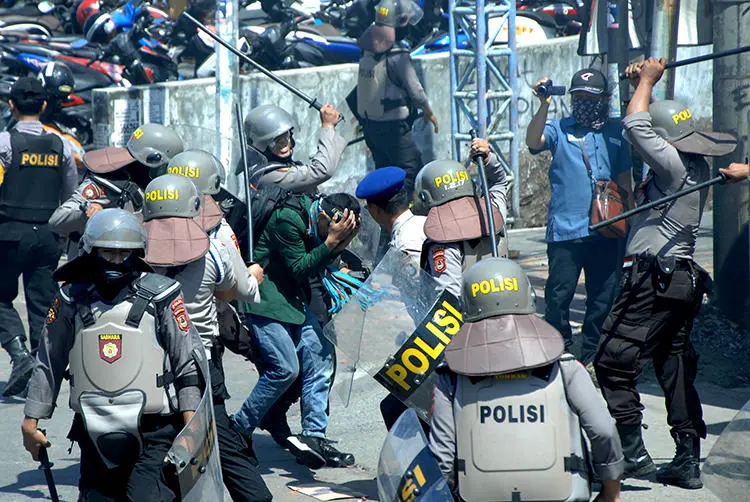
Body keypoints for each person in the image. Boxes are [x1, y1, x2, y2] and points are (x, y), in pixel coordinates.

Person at [594, 57, 739, 490]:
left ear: (665, 141)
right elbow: (647, 120)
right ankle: (687, 459)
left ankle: (634, 454)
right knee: (672, 365)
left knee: (611, 362)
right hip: (683, 280)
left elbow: (636, 126)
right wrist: (642, 83)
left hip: (652, 278)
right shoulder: (695, 163)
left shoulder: (673, 167)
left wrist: (648, 80)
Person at [20, 208, 205, 500]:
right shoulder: (70, 298)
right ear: (91, 251)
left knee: (145, 496)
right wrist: (32, 420)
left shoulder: (163, 294)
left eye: (125, 254)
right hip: (94, 426)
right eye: (108, 253)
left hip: (154, 428)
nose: (117, 261)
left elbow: (186, 360)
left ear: (138, 254)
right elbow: (49, 361)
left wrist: (191, 424)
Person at [429, 257, 624, 502]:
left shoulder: (451, 377)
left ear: (466, 307)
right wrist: (611, 491)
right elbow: (603, 431)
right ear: (528, 298)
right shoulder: (565, 368)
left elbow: (442, 459)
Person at [142, 174, 273, 501]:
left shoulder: (134, 252)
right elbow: (236, 291)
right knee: (220, 436)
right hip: (202, 358)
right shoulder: (214, 249)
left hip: (152, 361)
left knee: (159, 439)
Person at [231, 192, 360, 469]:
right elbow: (301, 268)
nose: (335, 233)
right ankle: (239, 428)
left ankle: (314, 437)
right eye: (335, 228)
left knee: (321, 358)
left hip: (293, 299)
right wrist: (332, 242)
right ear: (326, 216)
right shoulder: (288, 219)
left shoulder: (316, 220)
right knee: (285, 369)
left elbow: (316, 261)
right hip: (264, 298)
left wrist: (341, 243)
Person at [526, 68, 633, 370]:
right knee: (558, 297)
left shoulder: (616, 132)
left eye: (590, 97)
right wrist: (544, 104)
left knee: (602, 299)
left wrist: (630, 225)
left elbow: (625, 182)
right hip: (566, 231)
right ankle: (559, 353)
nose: (584, 102)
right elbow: (533, 141)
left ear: (603, 100)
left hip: (608, 231)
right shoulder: (559, 129)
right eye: (579, 97)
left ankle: (591, 356)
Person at [0, 77, 78, 397]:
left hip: (8, 234)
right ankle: (38, 370)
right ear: (44, 106)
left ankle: (19, 355)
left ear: (11, 105)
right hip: (47, 236)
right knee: (42, 303)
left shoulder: (4, 143)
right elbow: (71, 196)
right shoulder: (63, 145)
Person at [48, 122, 184, 258]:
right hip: (95, 263)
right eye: (165, 167)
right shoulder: (108, 182)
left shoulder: (164, 187)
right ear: (153, 160)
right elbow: (57, 221)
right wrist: (88, 214)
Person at [350, 0, 438, 195]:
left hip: (371, 125)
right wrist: (428, 111)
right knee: (411, 169)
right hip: (394, 128)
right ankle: (407, 209)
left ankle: (387, 214)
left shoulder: (369, 51)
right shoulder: (399, 55)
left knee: (384, 171)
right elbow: (415, 90)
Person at [414, 139, 509, 300]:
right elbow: (499, 181)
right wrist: (488, 159)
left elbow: (449, 299)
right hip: (509, 312)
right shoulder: (493, 213)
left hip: (473, 323)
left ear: (426, 197)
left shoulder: (443, 240)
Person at [244, 103, 346, 193]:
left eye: (286, 138)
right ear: (262, 146)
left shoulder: (282, 165)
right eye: (275, 143)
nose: (284, 145)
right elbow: (322, 171)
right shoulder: (269, 176)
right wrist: (328, 126)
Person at [356, 166, 427, 264]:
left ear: (376, 210)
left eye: (369, 207)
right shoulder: (424, 222)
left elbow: (413, 279)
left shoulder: (404, 244)